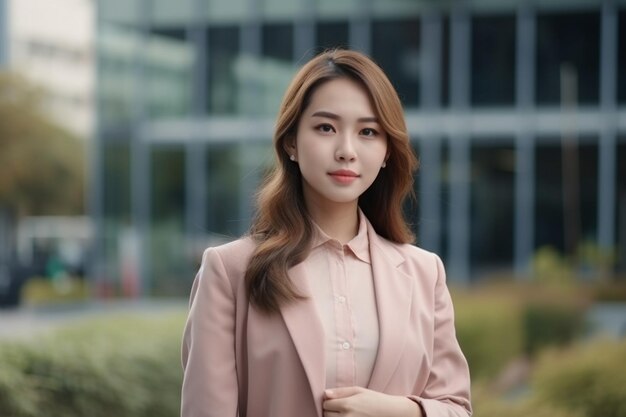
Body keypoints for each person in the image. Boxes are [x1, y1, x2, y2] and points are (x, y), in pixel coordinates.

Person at [181, 49, 472, 417]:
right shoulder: (229, 271)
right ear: (291, 143)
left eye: (368, 132)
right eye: (325, 128)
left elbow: (456, 408)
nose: (347, 151)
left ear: (386, 152)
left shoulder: (424, 273)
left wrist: (397, 411)